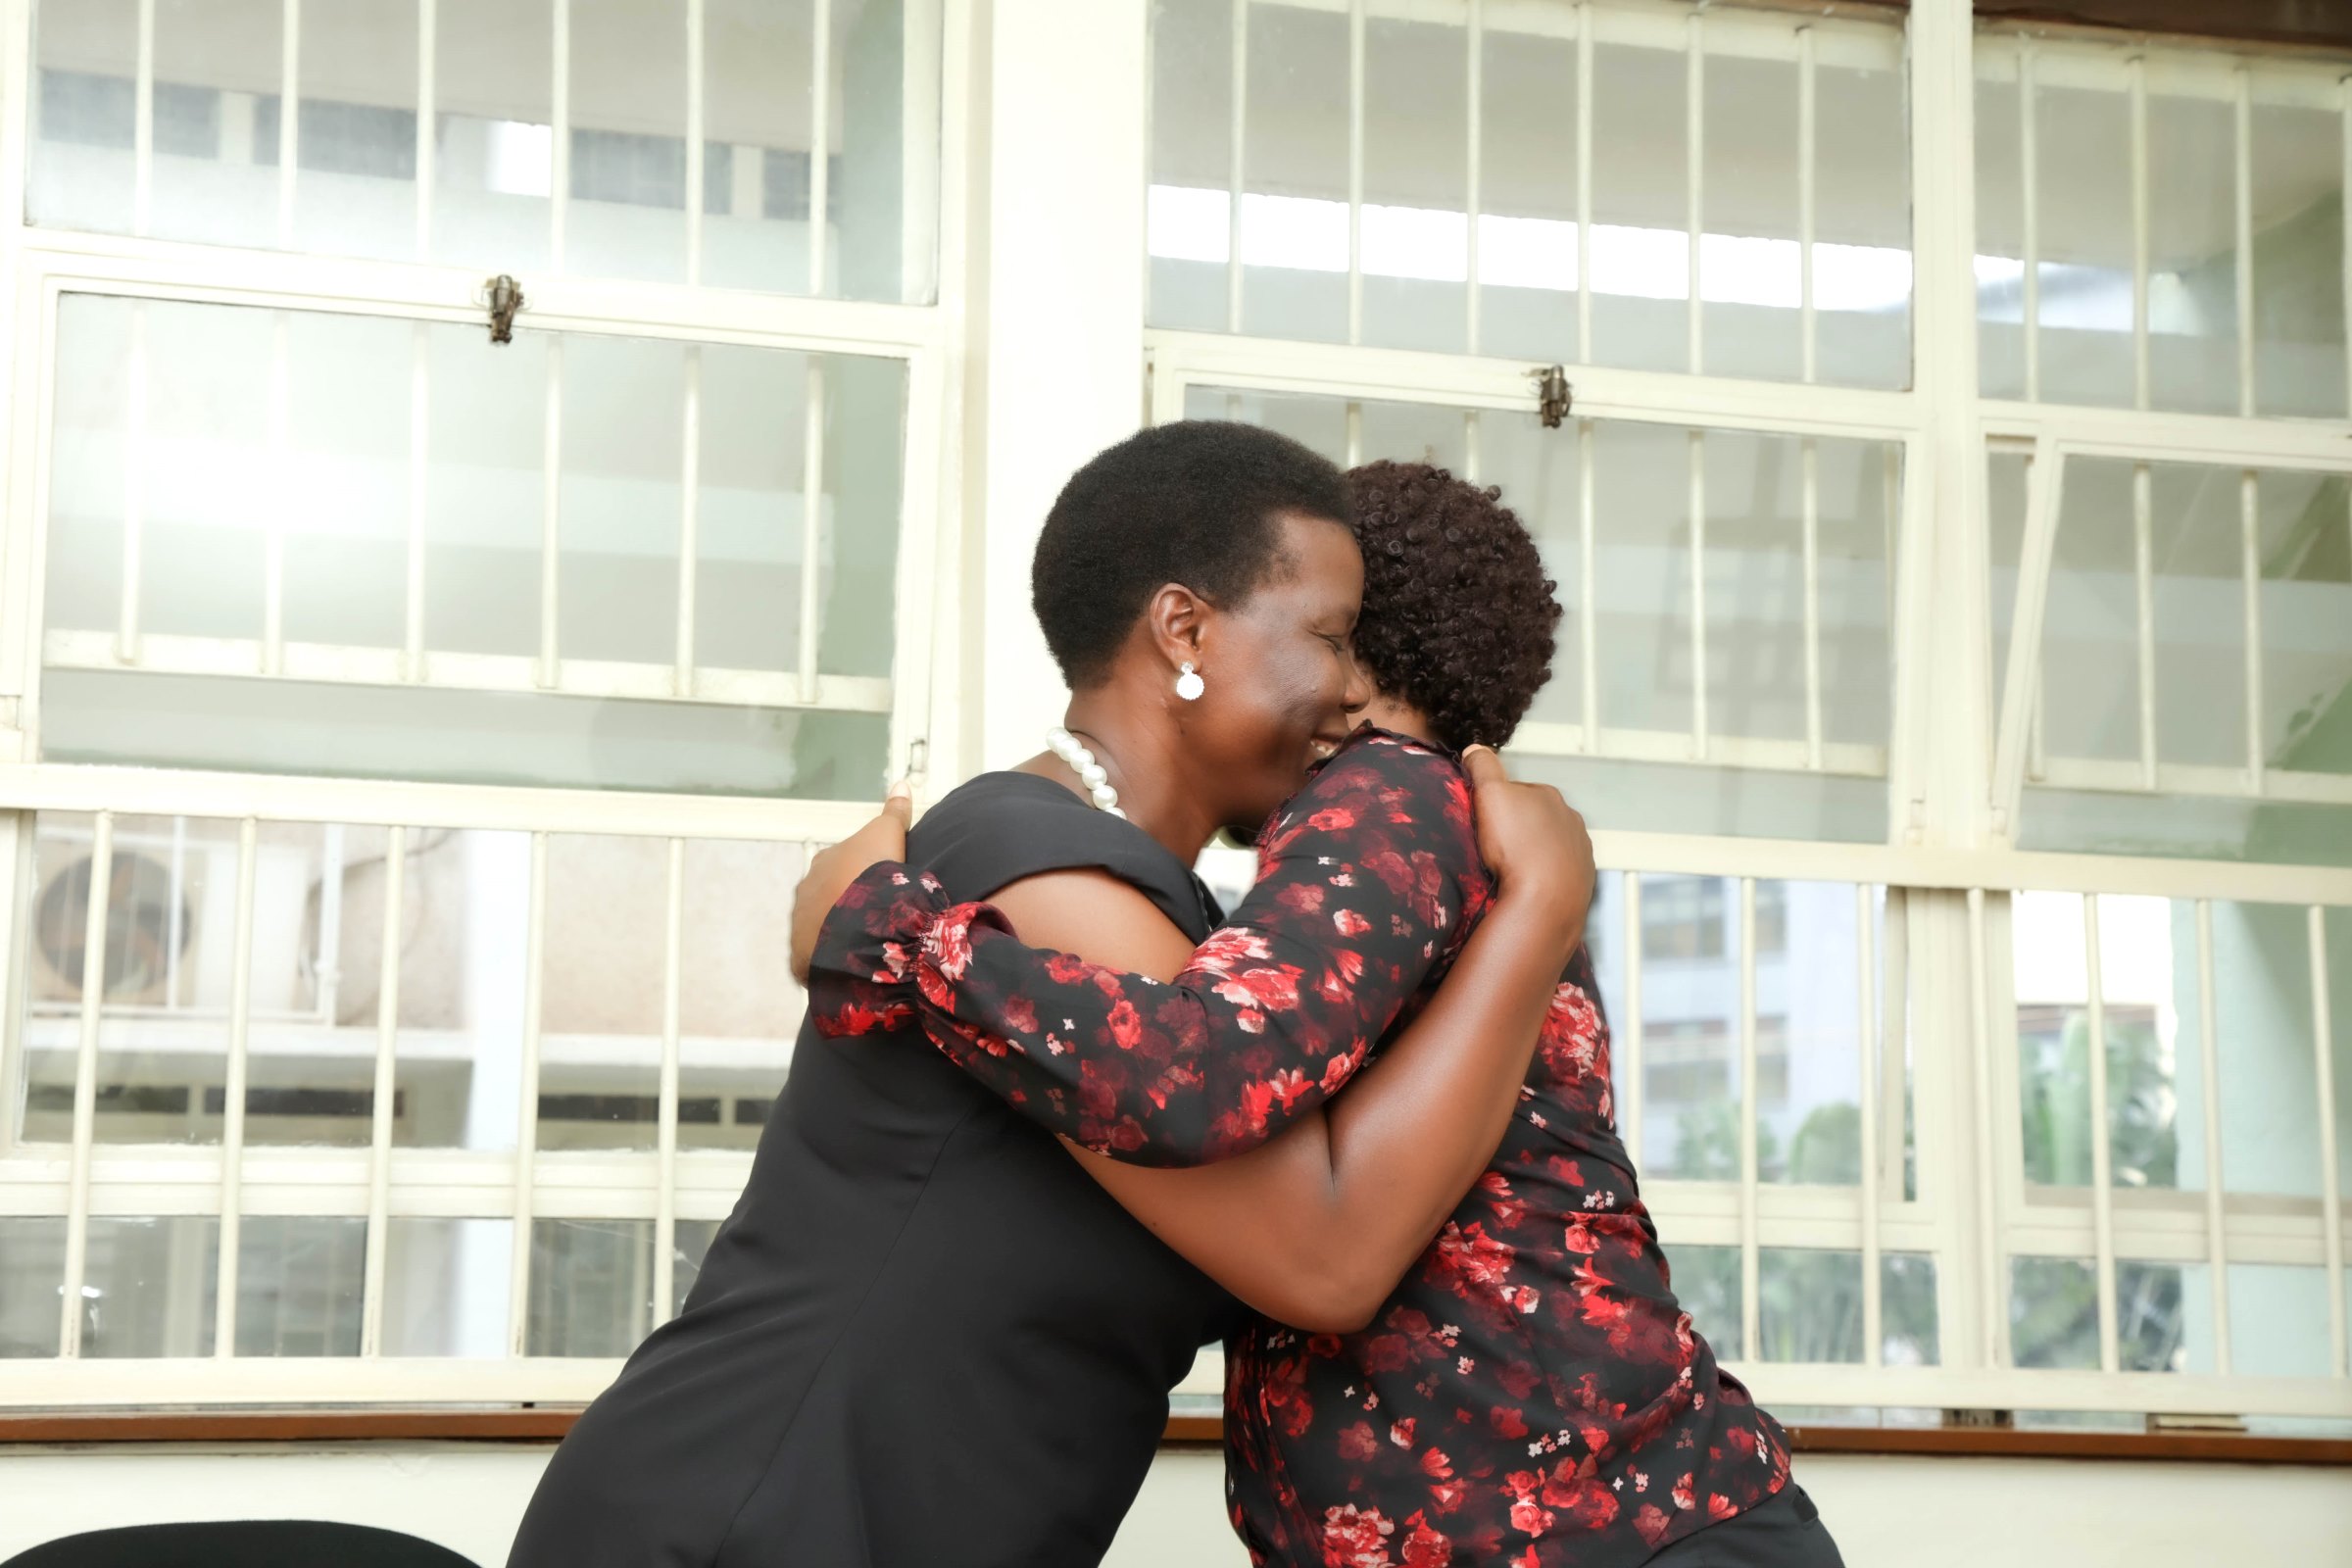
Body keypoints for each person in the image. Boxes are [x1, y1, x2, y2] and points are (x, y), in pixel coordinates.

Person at [505, 424, 1589, 1568]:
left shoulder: (1180, 933)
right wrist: (1541, 910)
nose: (1353, 692)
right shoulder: (1039, 867)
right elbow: (1326, 1258)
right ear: (1186, 631)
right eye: (1329, 639)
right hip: (762, 1515)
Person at [799, 461, 1841, 1567]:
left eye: (1332, 631)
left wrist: (885, 936)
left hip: (1592, 1532)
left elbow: (1204, 1070)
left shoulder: (1387, 794)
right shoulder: (1455, 843)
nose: (1325, 678)